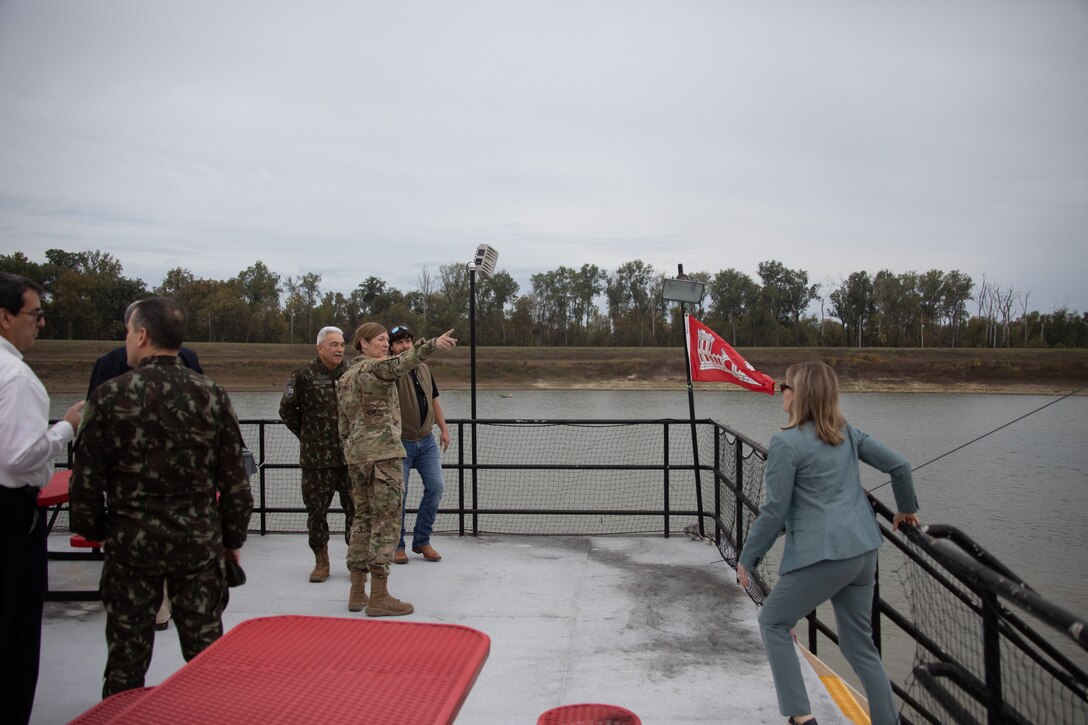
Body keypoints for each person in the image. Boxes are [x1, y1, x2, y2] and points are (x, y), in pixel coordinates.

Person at [69, 297, 253, 698]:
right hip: (198, 549)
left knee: (124, 663)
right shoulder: (212, 395)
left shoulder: (108, 396)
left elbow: (84, 482)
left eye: (127, 331)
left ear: (141, 334)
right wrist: (231, 540)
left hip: (130, 551)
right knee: (207, 659)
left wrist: (98, 532)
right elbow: (236, 482)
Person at [737, 361, 919, 725]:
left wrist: (748, 559)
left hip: (822, 557)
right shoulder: (846, 433)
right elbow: (899, 466)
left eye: (784, 386)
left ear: (798, 395)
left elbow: (774, 511)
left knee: (773, 622)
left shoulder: (785, 443)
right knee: (859, 647)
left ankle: (802, 719)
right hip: (864, 553)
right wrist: (905, 510)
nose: (780, 392)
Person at [86, 311, 205, 632]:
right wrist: (231, 534)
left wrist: (93, 527)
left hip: (137, 501)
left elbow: (87, 456)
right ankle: (164, 609)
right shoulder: (109, 365)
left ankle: (159, 610)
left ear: (140, 334)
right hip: (176, 500)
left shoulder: (110, 379)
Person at [0, 272, 84, 725]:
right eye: (35, 314)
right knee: (14, 635)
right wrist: (66, 427)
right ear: (5, 317)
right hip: (11, 515)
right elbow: (17, 458)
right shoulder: (16, 378)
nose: (42, 324)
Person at [337, 322, 456, 617]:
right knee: (386, 522)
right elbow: (405, 361)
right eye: (379, 340)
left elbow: (342, 425)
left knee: (362, 521)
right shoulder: (374, 368)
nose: (384, 345)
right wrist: (431, 344)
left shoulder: (346, 375)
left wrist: (352, 450)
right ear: (363, 344)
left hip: (357, 457)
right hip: (383, 456)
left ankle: (356, 591)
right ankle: (379, 595)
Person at [279, 325, 354, 583]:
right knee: (316, 514)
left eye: (342, 344)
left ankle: (355, 560)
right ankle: (321, 561)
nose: (340, 349)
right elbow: (287, 411)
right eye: (334, 344)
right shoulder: (303, 375)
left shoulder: (351, 373)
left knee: (355, 511)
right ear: (320, 348)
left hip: (348, 459)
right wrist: (307, 435)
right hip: (316, 461)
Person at [388, 324, 449, 565]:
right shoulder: (390, 370)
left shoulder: (423, 368)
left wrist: (443, 429)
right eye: (399, 341)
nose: (404, 345)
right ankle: (397, 545)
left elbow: (433, 399)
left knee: (436, 487)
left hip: (426, 441)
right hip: (400, 441)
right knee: (398, 496)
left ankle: (422, 540)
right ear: (391, 347)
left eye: (408, 341)